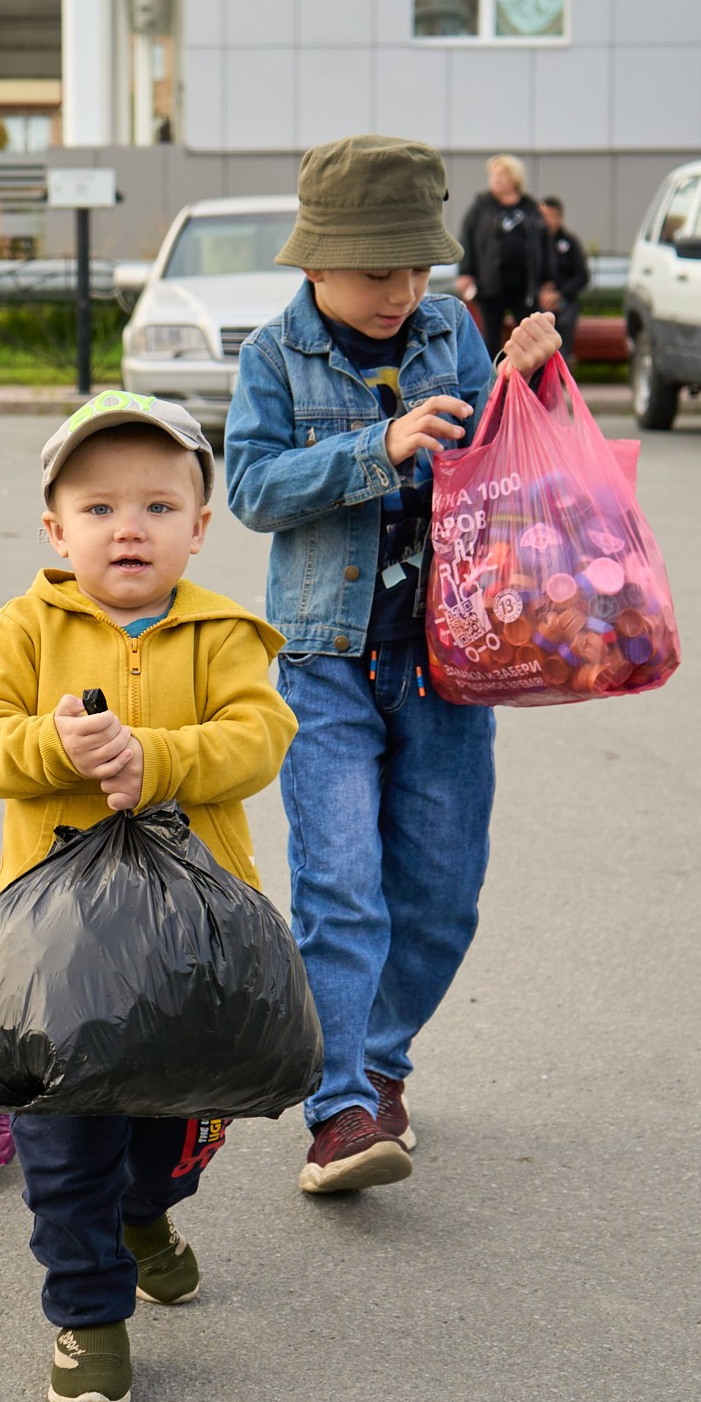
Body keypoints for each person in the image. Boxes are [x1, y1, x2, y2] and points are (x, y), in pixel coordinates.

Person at [0, 391, 294, 1402]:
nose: (126, 526)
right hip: (57, 953)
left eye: (155, 504)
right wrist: (53, 743)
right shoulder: (24, 626)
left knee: (173, 1134)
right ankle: (89, 1314)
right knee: (63, 1140)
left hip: (192, 948)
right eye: (97, 508)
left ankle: (149, 1214)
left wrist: (160, 758)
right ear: (55, 530)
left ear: (198, 525)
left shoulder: (225, 633)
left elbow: (260, 738)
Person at [225, 135, 561, 1196]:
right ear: (314, 261)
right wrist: (380, 447)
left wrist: (529, 383)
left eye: (415, 266)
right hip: (325, 657)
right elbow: (250, 488)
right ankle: (338, 1107)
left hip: (449, 656)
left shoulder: (450, 328)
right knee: (339, 884)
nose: (400, 291)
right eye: (377, 271)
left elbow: (504, 461)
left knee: (440, 890)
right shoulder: (273, 354)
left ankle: (378, 1062)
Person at [454, 152, 557, 346]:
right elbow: (466, 239)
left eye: (501, 174)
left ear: (514, 177)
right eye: (493, 175)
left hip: (525, 287)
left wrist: (548, 280)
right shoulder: (481, 207)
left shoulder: (530, 208)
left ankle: (528, 376)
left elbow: (545, 244)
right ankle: (492, 376)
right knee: (489, 336)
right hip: (490, 286)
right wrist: (465, 273)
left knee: (528, 335)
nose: (496, 179)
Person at [540, 195, 591, 359]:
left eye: (550, 216)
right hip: (538, 298)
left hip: (565, 299)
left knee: (564, 322)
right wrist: (540, 293)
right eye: (543, 216)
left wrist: (559, 293)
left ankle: (560, 366)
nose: (546, 221)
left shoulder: (570, 243)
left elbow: (582, 276)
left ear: (560, 218)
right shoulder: (532, 243)